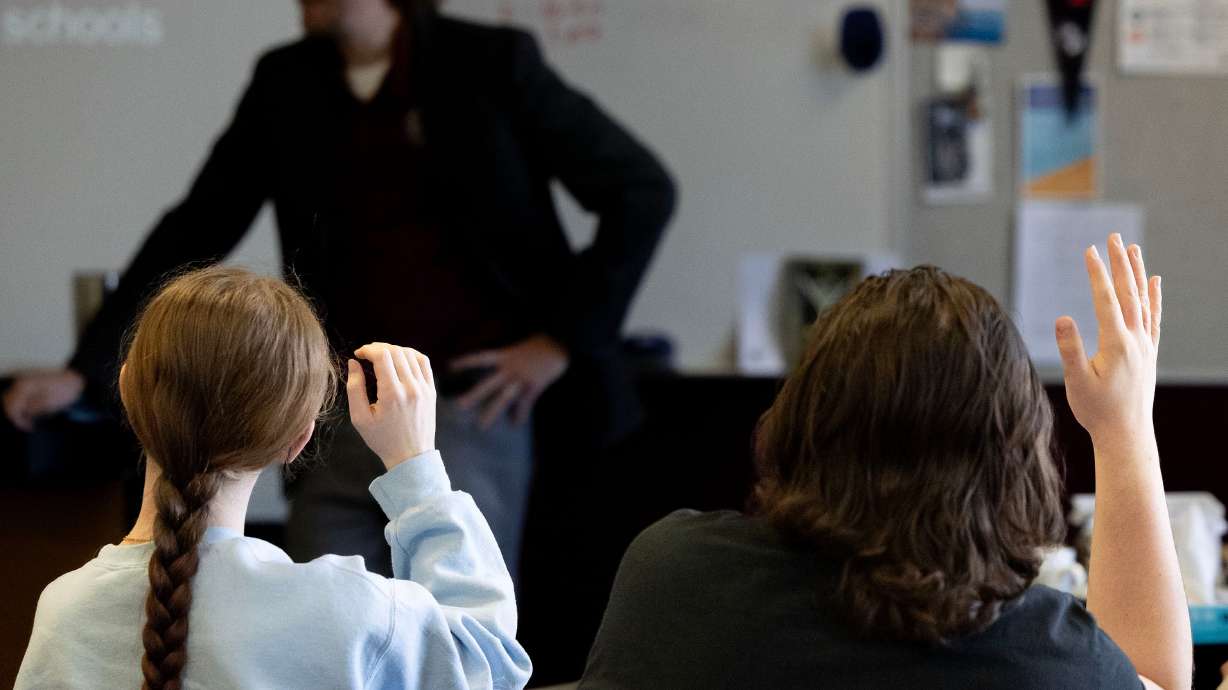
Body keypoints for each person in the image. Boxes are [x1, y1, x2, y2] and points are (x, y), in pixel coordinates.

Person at [1, 0, 674, 579]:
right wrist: (82, 369)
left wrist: (560, 341)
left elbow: (641, 190)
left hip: (471, 405)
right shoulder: (287, 81)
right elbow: (196, 226)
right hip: (337, 408)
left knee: (455, 636)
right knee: (315, 636)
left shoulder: (489, 62)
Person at [580, 235, 1190, 689]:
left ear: (799, 421)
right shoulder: (1053, 661)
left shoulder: (674, 580)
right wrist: (1124, 430)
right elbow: (1155, 678)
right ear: (1017, 459)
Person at [15, 267, 532, 689]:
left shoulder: (66, 610)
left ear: (127, 390)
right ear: (299, 438)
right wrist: (415, 466)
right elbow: (489, 661)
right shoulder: (346, 614)